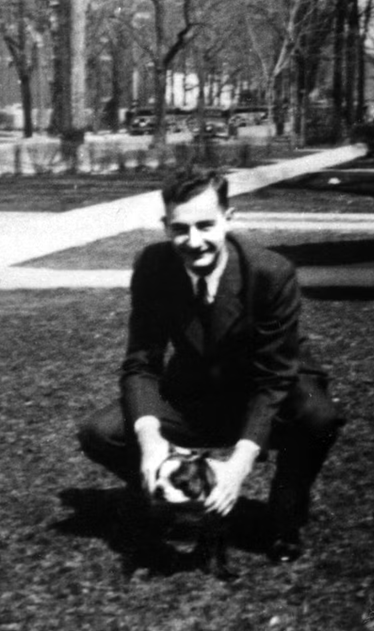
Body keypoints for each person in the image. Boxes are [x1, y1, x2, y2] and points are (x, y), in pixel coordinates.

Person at [77, 167, 345, 564]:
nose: (194, 241)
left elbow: (275, 377)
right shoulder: (152, 265)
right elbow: (140, 364)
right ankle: (176, 492)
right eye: (180, 229)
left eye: (205, 225)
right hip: (199, 387)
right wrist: (151, 443)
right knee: (100, 432)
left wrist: (239, 464)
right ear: (165, 226)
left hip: (276, 383)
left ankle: (283, 516)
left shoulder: (271, 272)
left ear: (228, 219)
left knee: (319, 417)